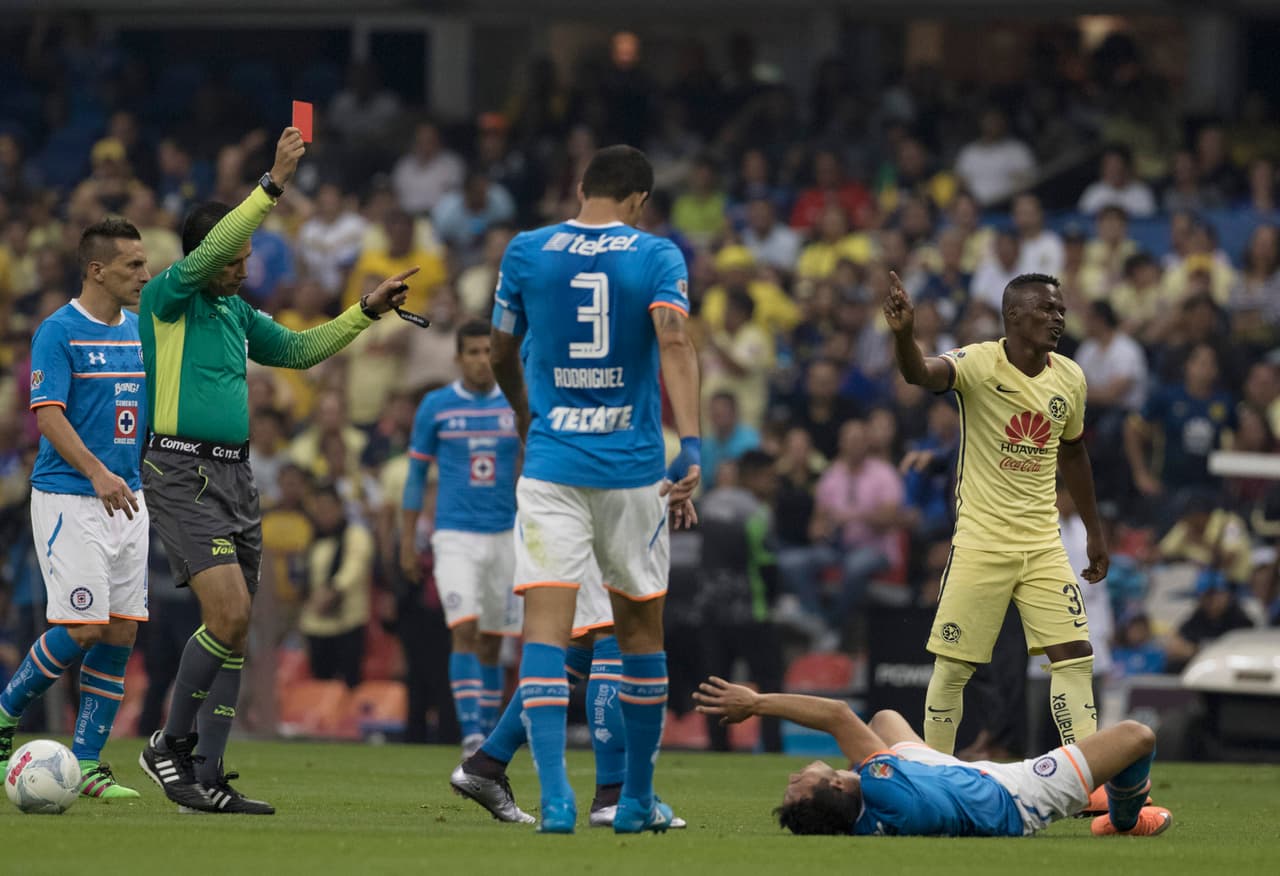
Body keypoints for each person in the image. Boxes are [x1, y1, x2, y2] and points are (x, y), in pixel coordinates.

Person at [136, 127, 414, 815]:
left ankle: (208, 772)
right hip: (180, 469)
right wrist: (272, 183)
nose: (246, 265)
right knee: (227, 613)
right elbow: (210, 255)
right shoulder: (170, 298)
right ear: (212, 253)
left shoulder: (235, 311)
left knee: (235, 627)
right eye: (237, 256)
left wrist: (363, 314)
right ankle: (167, 745)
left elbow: (297, 349)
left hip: (235, 474)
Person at [487, 144, 701, 833]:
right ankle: (634, 798)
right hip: (632, 469)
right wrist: (691, 442)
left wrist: (527, 415)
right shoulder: (656, 255)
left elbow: (499, 349)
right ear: (638, 200)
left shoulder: (526, 250)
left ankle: (554, 797)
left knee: (546, 633)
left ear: (582, 189)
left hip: (551, 466)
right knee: (638, 630)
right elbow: (673, 341)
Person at [884, 270, 1111, 807]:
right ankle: (932, 779)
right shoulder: (979, 364)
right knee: (955, 667)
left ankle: (1087, 784)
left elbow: (1074, 453)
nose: (1058, 318)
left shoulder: (1071, 378)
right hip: (981, 543)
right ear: (1014, 316)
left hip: (1043, 543)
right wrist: (903, 334)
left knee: (1074, 656)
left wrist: (1095, 532)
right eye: (1046, 310)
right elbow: (919, 373)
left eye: (1060, 310)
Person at [0, 218, 151, 799]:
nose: (144, 274)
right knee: (84, 627)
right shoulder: (57, 331)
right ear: (97, 270)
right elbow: (49, 416)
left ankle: (86, 764)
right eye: (133, 265)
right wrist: (97, 471)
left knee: (119, 633)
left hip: (129, 499)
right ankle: (6, 711)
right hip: (70, 495)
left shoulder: (140, 334)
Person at [692, 678, 1172, 837]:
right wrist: (755, 703)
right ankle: (1123, 817)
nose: (799, 771)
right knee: (1137, 736)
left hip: (947, 775)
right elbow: (837, 715)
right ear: (837, 786)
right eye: (803, 777)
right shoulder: (880, 784)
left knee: (884, 718)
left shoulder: (863, 815)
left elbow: (865, 734)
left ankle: (1093, 800)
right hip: (1016, 795)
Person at [400, 319, 522, 758]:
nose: (481, 360)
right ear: (458, 358)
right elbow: (416, 476)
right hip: (453, 535)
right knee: (465, 628)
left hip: (506, 535)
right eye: (472, 352)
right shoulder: (436, 406)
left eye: (488, 351)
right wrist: (406, 540)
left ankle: (487, 736)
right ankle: (471, 735)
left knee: (493, 640)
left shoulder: (515, 403)